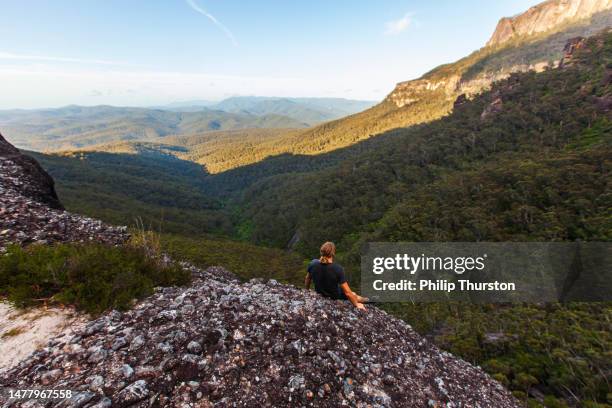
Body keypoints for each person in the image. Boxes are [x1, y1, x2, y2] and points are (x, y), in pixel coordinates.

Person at [305, 242, 367, 310]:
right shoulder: (337, 269)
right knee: (354, 295)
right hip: (334, 295)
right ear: (333, 253)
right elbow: (347, 293)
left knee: (353, 294)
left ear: (321, 251)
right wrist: (356, 304)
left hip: (319, 291)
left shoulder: (313, 263)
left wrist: (307, 291)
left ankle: (367, 299)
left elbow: (307, 278)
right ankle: (368, 300)